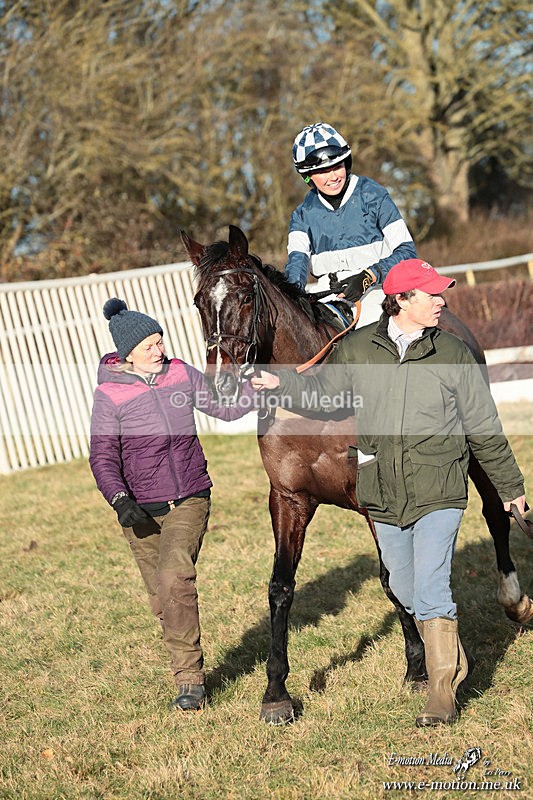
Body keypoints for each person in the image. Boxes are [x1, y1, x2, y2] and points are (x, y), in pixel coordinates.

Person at [251, 258, 526, 727]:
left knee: (432, 587)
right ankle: (453, 656)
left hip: (438, 486)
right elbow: (326, 394)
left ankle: (441, 692)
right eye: (431, 294)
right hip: (383, 489)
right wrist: (283, 382)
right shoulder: (358, 349)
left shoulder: (452, 351)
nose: (441, 300)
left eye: (440, 293)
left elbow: (483, 426)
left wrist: (511, 488)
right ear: (401, 300)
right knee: (402, 585)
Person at [89, 298, 254, 712]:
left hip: (189, 497)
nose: (159, 350)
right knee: (162, 597)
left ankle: (190, 681)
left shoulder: (180, 372)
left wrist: (257, 388)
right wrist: (119, 499)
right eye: (149, 345)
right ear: (127, 354)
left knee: (174, 578)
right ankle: (184, 659)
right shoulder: (110, 393)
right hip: (139, 510)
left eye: (160, 341)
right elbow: (102, 455)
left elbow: (223, 408)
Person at [285, 122, 417, 327]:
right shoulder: (301, 215)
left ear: (346, 163)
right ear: (308, 176)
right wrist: (291, 297)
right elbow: (296, 265)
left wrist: (369, 276)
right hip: (328, 298)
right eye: (322, 171)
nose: (333, 177)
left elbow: (407, 251)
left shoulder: (374, 195)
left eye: (337, 166)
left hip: (379, 291)